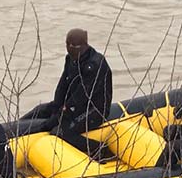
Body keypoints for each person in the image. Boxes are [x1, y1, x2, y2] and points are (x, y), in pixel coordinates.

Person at [20, 28, 114, 159]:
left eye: (74, 46)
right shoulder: (70, 59)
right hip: (71, 104)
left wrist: (60, 116)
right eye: (68, 45)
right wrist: (56, 106)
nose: (70, 49)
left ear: (85, 45)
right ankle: (14, 132)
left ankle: (101, 149)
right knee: (39, 110)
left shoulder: (94, 65)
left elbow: (81, 97)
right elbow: (62, 86)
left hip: (93, 109)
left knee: (61, 132)